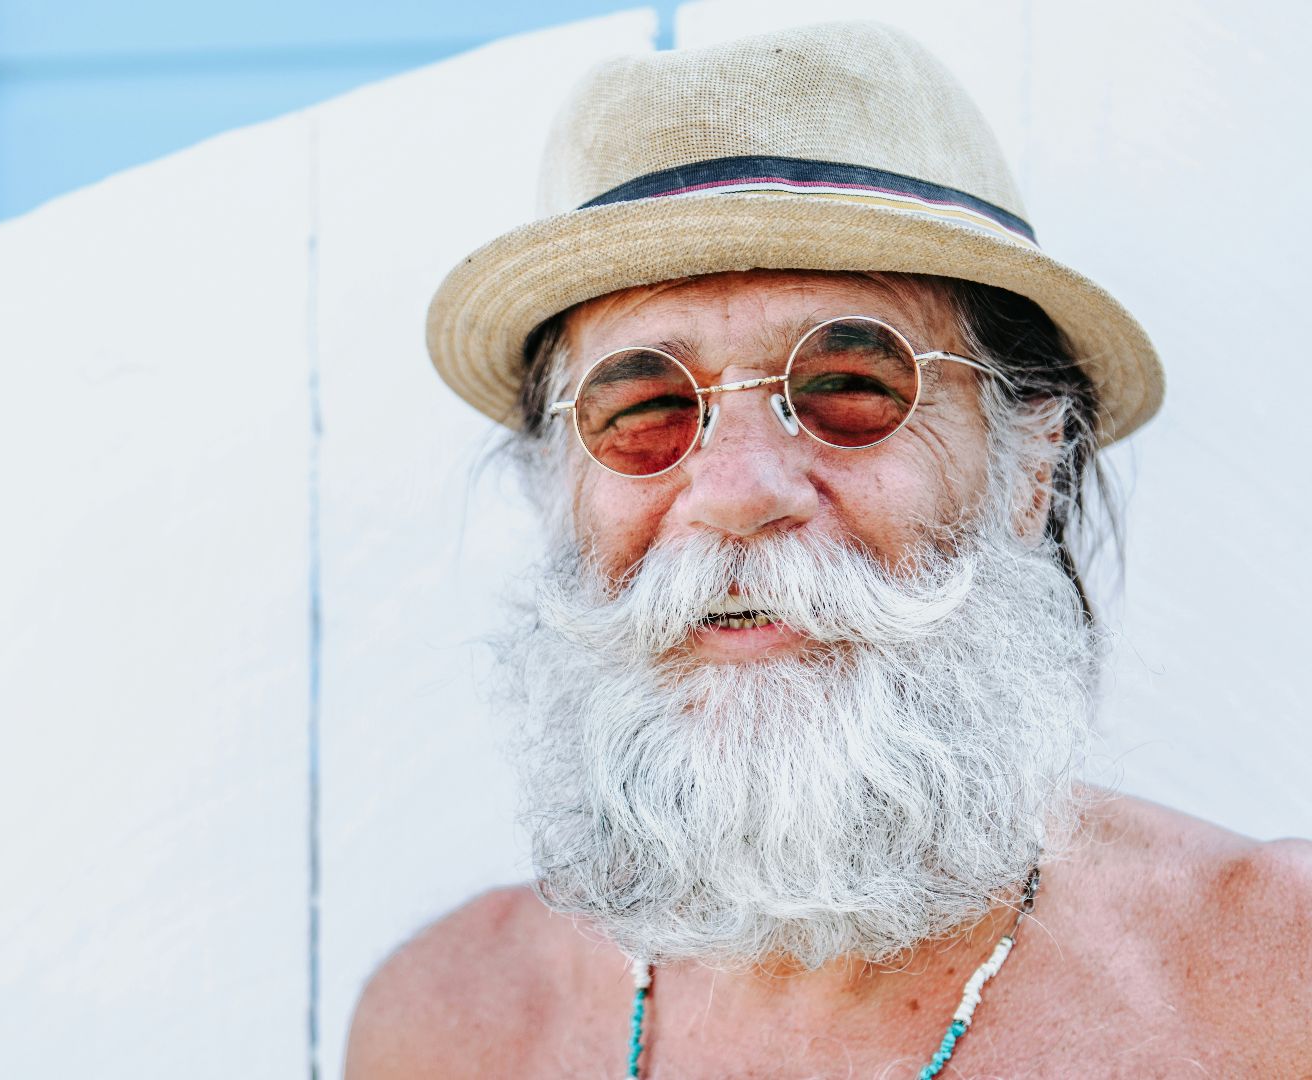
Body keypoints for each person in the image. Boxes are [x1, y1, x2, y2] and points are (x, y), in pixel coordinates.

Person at [346, 20, 1311, 1078]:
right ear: (554, 492)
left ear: (1032, 463)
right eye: (647, 406)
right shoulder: (445, 1026)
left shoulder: (1273, 989)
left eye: (851, 386)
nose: (738, 494)